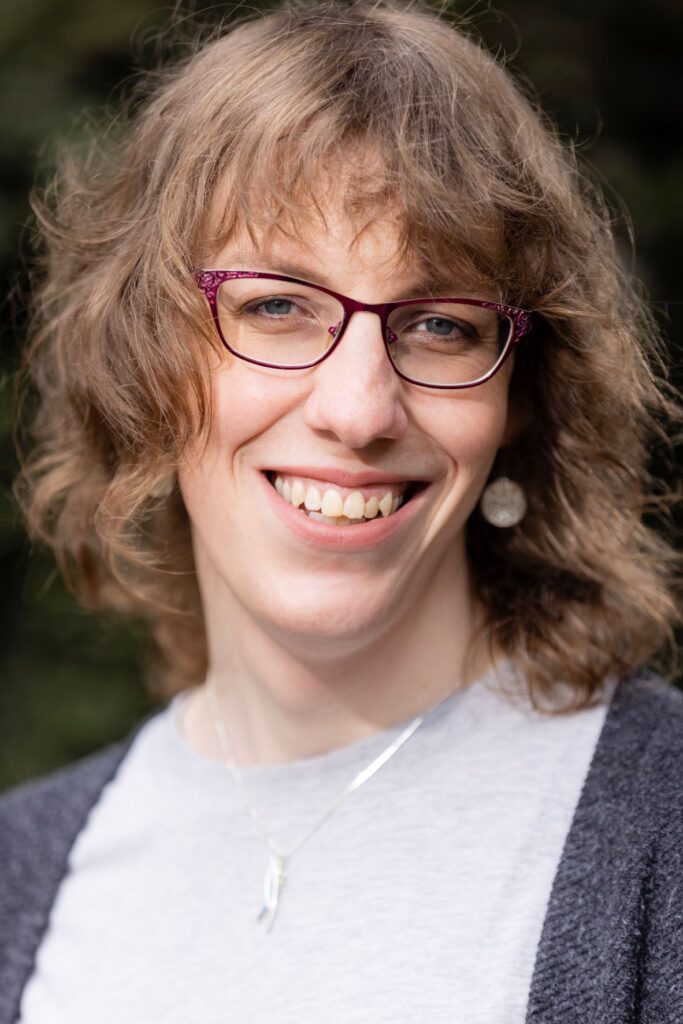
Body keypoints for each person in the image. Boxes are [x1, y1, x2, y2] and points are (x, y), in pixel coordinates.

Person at [1, 1, 681, 1021]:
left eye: (440, 324)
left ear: (520, 395)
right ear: (142, 358)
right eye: (275, 305)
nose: (358, 409)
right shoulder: (23, 874)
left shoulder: (659, 832)